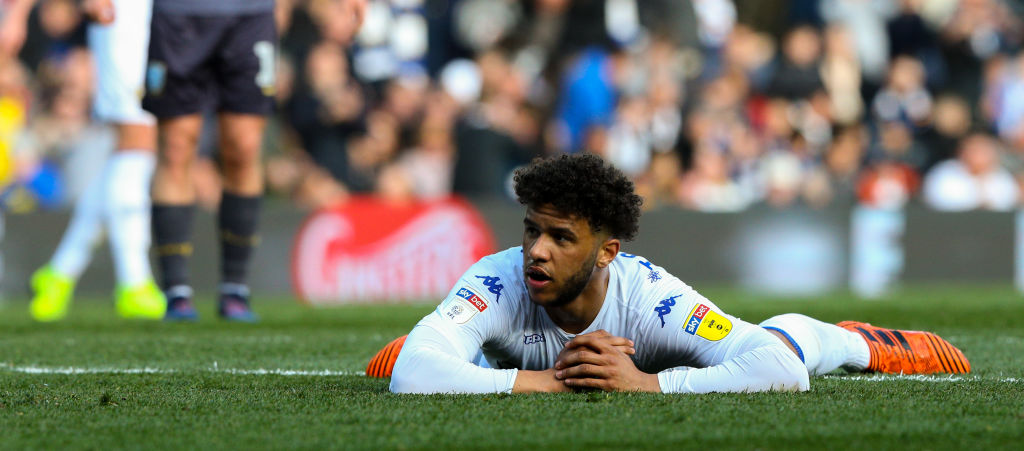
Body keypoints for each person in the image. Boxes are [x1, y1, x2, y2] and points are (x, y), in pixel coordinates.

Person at [80, 0, 368, 321]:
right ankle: (176, 295)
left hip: (249, 11)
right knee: (177, 145)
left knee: (242, 146)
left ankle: (235, 289)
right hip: (177, 12)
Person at [367, 153, 969, 393]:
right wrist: (553, 382)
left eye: (560, 238)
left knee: (787, 341)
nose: (536, 252)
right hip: (527, 358)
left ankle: (857, 341)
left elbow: (779, 371)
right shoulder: (496, 279)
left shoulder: (653, 298)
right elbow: (413, 375)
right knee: (427, 356)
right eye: (531, 230)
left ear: (606, 252)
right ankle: (464, 348)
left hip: (653, 356)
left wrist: (647, 386)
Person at [0, 0, 165, 321]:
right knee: (138, 138)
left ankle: (61, 271)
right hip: (118, 17)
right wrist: (20, 8)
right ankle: (136, 282)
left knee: (135, 145)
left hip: (176, 19)